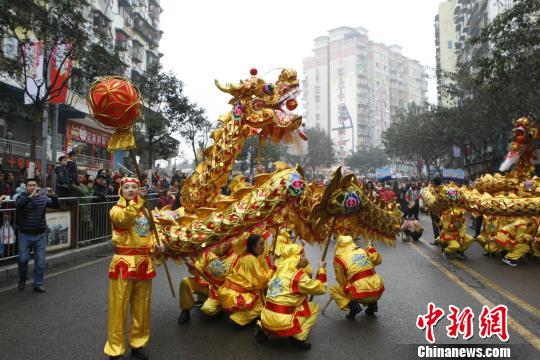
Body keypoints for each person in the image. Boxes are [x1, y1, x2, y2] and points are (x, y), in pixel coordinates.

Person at [104, 177, 163, 360]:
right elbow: (123, 221)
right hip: (123, 262)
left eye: (134, 187)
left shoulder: (145, 211)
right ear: (120, 190)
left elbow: (152, 233)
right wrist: (139, 202)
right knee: (118, 308)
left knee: (142, 307)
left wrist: (157, 246)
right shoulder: (116, 210)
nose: (131, 190)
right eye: (127, 187)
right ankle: (115, 348)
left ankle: (138, 343)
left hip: (143, 263)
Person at [256, 243, 327, 350]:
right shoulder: (298, 277)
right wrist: (321, 269)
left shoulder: (279, 270)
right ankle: (297, 339)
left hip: (265, 318)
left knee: (288, 301)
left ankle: (262, 330)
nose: (305, 257)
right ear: (296, 258)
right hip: (280, 321)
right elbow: (320, 288)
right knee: (314, 307)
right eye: (302, 255)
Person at [217, 233, 274, 327]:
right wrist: (272, 265)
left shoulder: (247, 256)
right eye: (261, 244)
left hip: (229, 290)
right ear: (253, 247)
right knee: (263, 304)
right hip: (235, 294)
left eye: (264, 244)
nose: (264, 247)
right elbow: (262, 282)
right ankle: (237, 318)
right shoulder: (251, 259)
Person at [15, 178, 60, 292]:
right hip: (25, 234)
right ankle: (23, 278)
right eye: (29, 185)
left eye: (33, 185)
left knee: (40, 262)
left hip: (40, 234)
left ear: (37, 186)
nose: (31, 187)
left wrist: (53, 195)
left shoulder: (43, 197)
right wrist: (30, 196)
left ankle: (38, 284)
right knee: (23, 259)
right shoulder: (22, 196)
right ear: (26, 187)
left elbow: (57, 205)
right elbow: (18, 205)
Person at [178, 241, 239, 324]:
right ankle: (185, 310)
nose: (224, 244)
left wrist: (196, 264)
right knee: (185, 281)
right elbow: (198, 274)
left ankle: (220, 306)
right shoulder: (211, 250)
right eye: (222, 242)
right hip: (206, 284)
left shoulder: (233, 257)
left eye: (227, 241)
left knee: (207, 309)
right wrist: (192, 266)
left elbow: (219, 274)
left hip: (218, 289)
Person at [330, 235, 384, 319]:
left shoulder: (339, 259)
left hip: (362, 294)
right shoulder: (363, 251)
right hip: (378, 290)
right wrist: (370, 248)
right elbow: (377, 261)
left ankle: (353, 306)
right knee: (370, 278)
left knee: (333, 289)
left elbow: (341, 280)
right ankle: (372, 306)